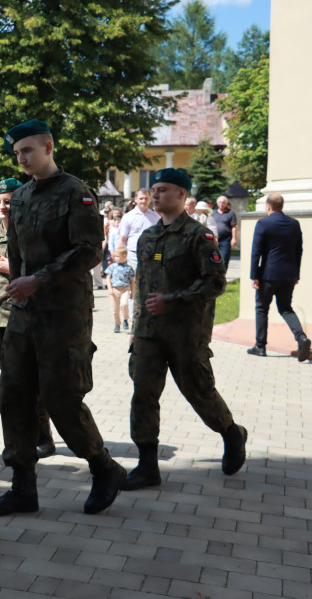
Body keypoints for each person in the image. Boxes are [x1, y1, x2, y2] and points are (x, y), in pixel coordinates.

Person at [0, 120, 125, 518]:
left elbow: (88, 251)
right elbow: (16, 252)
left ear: (48, 147)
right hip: (24, 312)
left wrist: (37, 279)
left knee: (62, 398)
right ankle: (22, 487)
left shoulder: (75, 192)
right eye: (16, 154)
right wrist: (18, 279)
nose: (22, 159)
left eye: (28, 151)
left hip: (63, 314)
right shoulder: (22, 196)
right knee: (13, 396)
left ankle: (104, 467)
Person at [123, 168, 248, 490]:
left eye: (163, 189)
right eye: (155, 190)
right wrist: (136, 329)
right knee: (144, 395)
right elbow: (142, 288)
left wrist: (173, 300)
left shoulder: (199, 235)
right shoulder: (149, 236)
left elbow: (216, 282)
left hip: (186, 334)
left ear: (181, 194)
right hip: (150, 333)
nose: (156, 195)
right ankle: (147, 464)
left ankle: (231, 433)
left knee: (198, 392)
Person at [0, 178, 56, 464]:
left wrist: (13, 267)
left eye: (9, 201)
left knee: (26, 383)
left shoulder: (33, 234)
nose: (3, 207)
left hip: (24, 317)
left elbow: (46, 273)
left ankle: (43, 435)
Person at [248, 193, 309, 360]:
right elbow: (299, 250)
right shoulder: (294, 224)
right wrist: (296, 273)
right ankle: (301, 337)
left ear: (268, 206)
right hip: (289, 274)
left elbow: (256, 252)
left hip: (268, 275)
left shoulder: (263, 223)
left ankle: (260, 347)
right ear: (282, 206)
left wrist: (254, 275)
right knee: (286, 308)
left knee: (262, 309)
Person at [118, 188, 159, 269]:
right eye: (141, 198)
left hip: (151, 254)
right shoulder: (128, 217)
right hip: (133, 254)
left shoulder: (156, 217)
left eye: (146, 198)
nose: (143, 201)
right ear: (136, 199)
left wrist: (158, 258)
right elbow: (122, 239)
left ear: (150, 199)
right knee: (135, 279)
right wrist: (121, 256)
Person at [104, 247, 135, 333]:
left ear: (124, 256)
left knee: (124, 304)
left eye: (117, 256)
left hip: (125, 289)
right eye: (114, 256)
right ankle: (117, 324)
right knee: (115, 309)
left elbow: (132, 281)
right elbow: (108, 278)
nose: (115, 258)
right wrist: (110, 289)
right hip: (115, 290)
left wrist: (133, 292)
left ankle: (125, 318)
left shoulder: (129, 268)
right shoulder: (112, 267)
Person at [210, 196, 239, 269]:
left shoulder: (231, 213)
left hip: (226, 240)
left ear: (226, 204)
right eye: (220, 202)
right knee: (214, 258)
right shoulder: (213, 213)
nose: (221, 204)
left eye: (223, 202)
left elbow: (234, 226)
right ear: (217, 203)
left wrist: (234, 238)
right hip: (214, 240)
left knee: (224, 259)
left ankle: (222, 276)